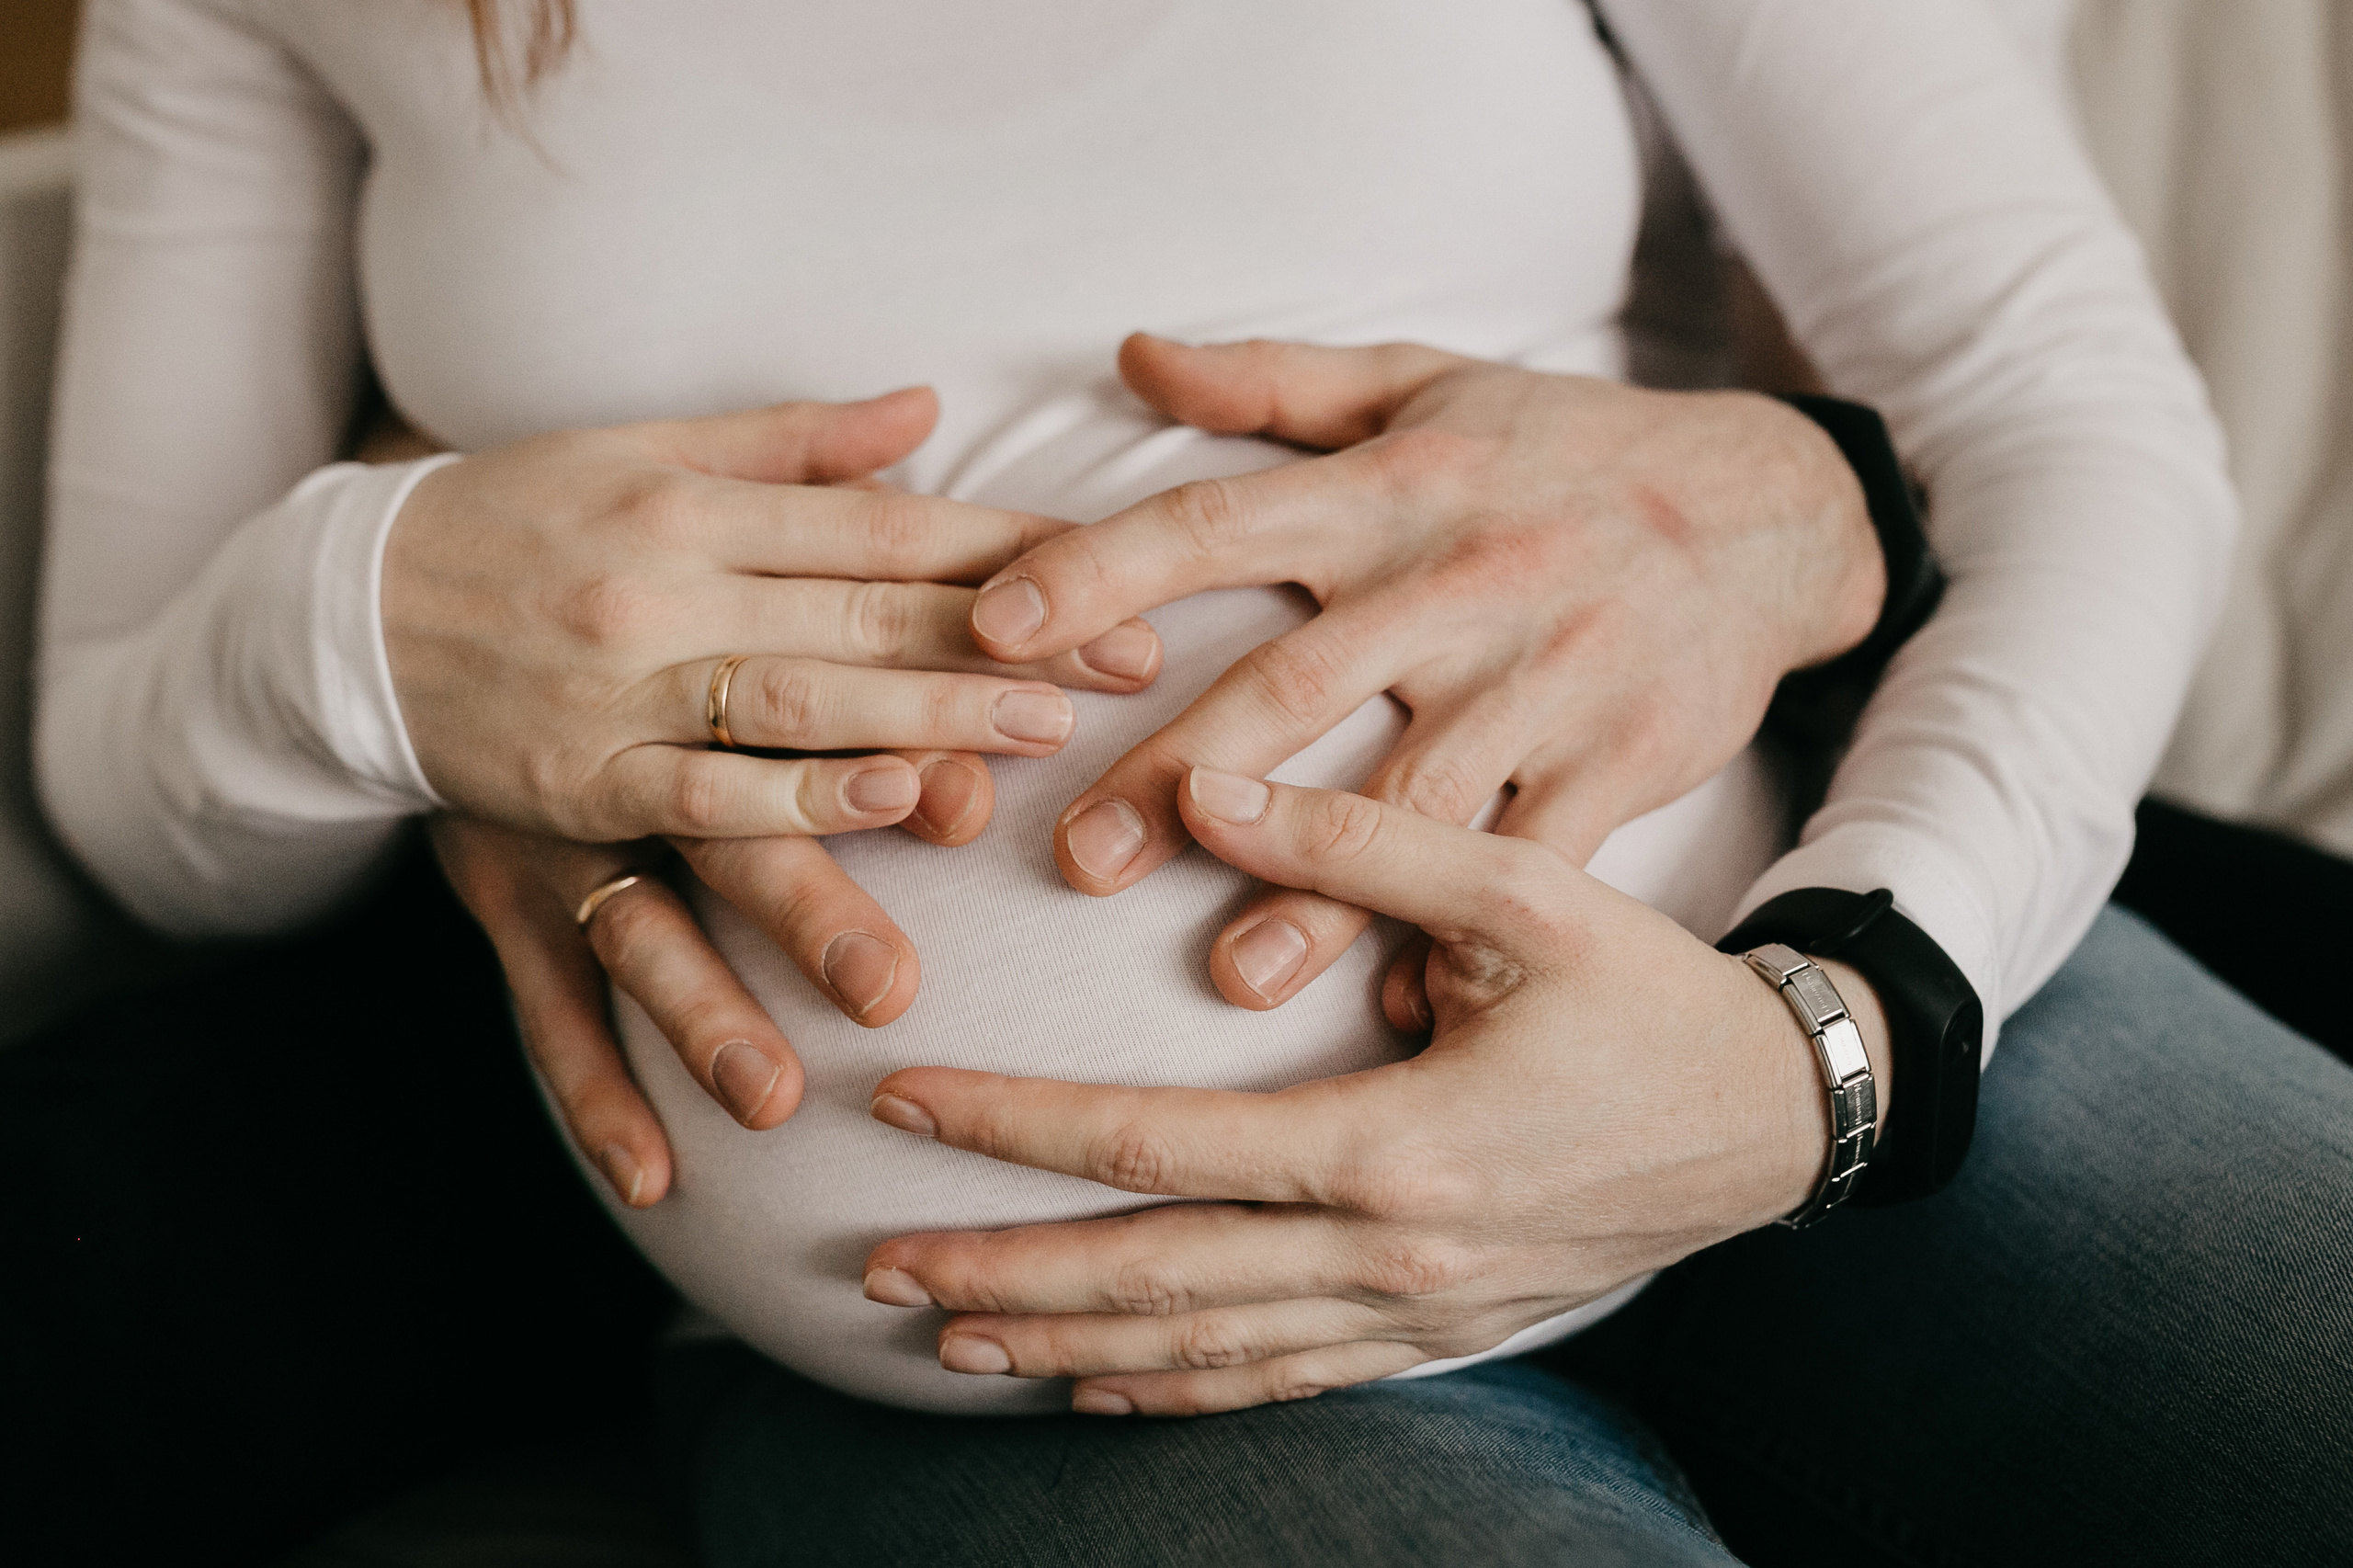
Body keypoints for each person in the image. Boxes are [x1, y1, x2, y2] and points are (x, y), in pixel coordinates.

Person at [31, 0, 2348, 1562]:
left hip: (1815, 993)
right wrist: (368, 615)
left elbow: (2054, 401)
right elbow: (129, 781)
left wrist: (1835, 1026)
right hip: (1017, 1323)